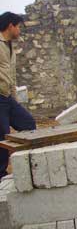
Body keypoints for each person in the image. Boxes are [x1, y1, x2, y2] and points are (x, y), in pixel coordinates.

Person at [0, 12, 36, 180]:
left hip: (7, 98)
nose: (20, 30)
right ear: (10, 26)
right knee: (2, 136)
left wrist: (14, 96)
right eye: (19, 27)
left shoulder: (9, 45)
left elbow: (10, 74)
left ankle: (30, 162)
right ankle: (1, 175)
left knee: (28, 123)